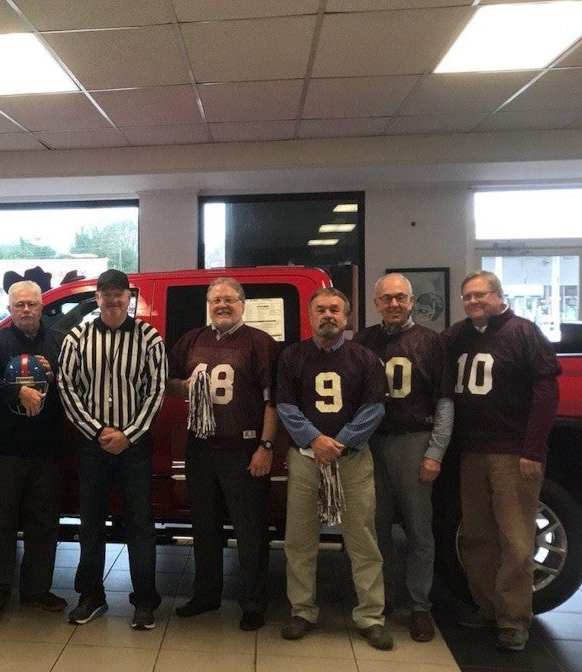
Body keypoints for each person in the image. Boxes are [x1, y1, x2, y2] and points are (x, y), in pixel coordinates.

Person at [443, 270, 561, 652]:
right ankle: (487, 607)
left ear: (498, 295)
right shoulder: (457, 335)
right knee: (477, 535)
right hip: (471, 451)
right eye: (467, 296)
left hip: (512, 453)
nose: (473, 301)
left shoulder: (523, 332)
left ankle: (512, 619)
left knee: (516, 539)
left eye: (480, 294)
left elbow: (546, 393)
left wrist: (533, 450)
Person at [275, 287, 393, 650]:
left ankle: (370, 616)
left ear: (347, 316)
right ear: (311, 316)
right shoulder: (292, 356)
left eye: (335, 310)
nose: (328, 315)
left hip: (351, 459)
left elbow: (375, 408)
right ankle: (302, 610)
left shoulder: (365, 358)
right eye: (321, 309)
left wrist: (339, 443)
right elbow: (285, 406)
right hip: (306, 459)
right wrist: (315, 440)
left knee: (362, 539)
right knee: (299, 540)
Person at [166, 277, 279, 631]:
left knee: (250, 530)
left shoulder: (259, 342)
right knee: (204, 526)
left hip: (243, 449)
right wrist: (183, 386)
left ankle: (254, 602)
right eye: (216, 300)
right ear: (209, 305)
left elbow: (272, 401)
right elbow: (167, 382)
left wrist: (265, 447)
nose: (222, 305)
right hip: (201, 447)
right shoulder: (191, 339)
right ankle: (206, 594)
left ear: (242, 304)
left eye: (229, 299)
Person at [58, 268, 167, 630]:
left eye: (120, 293)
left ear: (129, 297)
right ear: (98, 298)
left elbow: (156, 390)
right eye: (106, 294)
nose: (113, 299)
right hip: (92, 447)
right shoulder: (77, 337)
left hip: (134, 447)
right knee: (90, 523)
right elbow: (67, 387)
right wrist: (97, 430)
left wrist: (128, 435)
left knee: (140, 525)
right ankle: (91, 597)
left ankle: (145, 601)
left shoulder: (149, 337)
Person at [354, 273, 453, 643]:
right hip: (370, 443)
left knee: (418, 528)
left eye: (400, 297)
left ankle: (419, 605)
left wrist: (435, 452)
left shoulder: (431, 342)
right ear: (376, 303)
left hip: (413, 442)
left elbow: (445, 401)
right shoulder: (363, 341)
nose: (393, 304)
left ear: (411, 301)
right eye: (386, 298)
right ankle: (383, 596)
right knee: (375, 526)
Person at [0, 280, 66, 624]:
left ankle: (36, 590)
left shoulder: (59, 342)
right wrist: (17, 392)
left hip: (47, 450)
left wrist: (54, 375)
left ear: (42, 307)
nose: (26, 310)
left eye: (32, 304)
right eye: (19, 305)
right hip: (6, 451)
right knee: (1, 524)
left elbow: (79, 384)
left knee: (44, 524)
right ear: (9, 309)